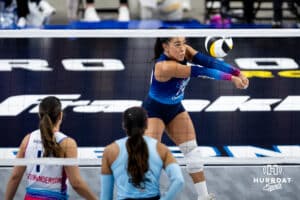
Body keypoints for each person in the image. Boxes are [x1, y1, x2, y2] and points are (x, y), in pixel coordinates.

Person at [142, 37, 249, 200]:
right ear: (165, 48)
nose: (182, 48)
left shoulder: (184, 51)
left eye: (183, 43)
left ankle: (203, 196)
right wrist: (231, 79)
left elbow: (209, 62)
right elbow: (201, 71)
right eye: (177, 45)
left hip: (175, 108)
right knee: (150, 156)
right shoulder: (164, 67)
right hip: (154, 111)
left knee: (193, 154)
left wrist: (237, 72)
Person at [5, 96, 97, 200]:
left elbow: (15, 177)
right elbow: (76, 183)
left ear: (39, 115)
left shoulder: (28, 139)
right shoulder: (67, 143)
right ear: (60, 115)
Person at [101, 106, 184, 200]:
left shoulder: (110, 151)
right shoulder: (161, 149)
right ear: (146, 125)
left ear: (124, 125)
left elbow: (105, 197)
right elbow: (179, 180)